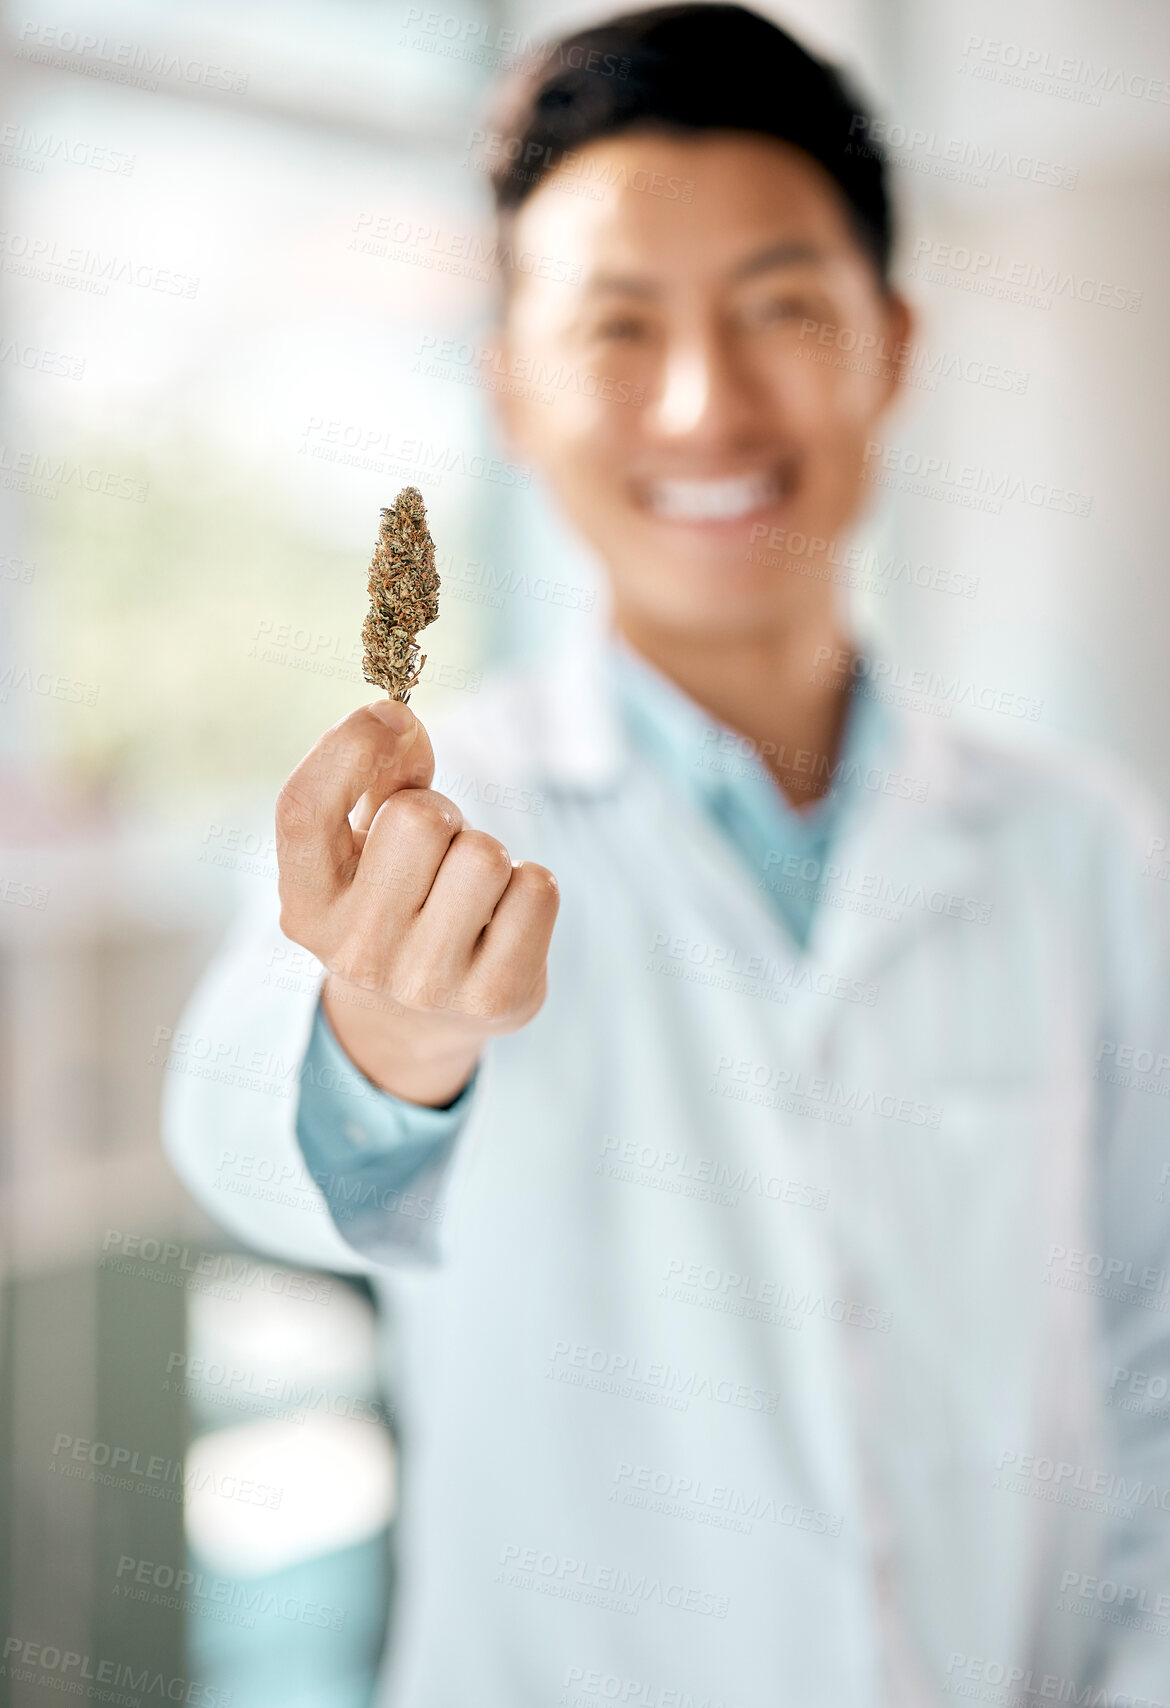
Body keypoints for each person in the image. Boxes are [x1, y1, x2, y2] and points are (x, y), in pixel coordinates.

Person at [164, 6, 1170, 1703]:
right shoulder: (426, 815)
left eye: (780, 308)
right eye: (617, 326)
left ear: (892, 345)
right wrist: (392, 1046)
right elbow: (242, 1141)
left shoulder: (1082, 845)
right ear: (508, 386)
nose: (705, 403)